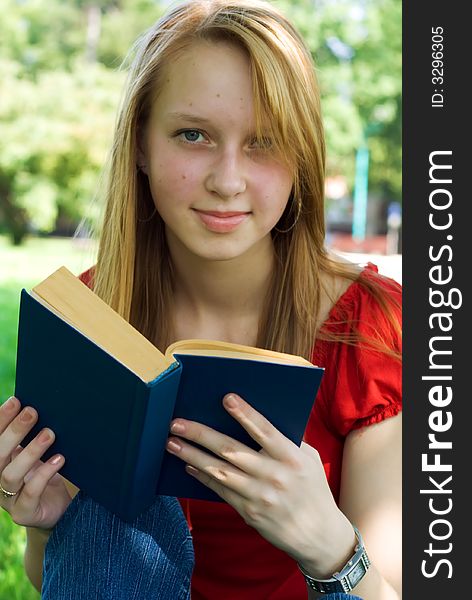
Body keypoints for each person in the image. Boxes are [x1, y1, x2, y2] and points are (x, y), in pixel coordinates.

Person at [0, 0, 401, 598]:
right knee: (105, 523)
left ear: (301, 159)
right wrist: (47, 523)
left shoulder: (371, 324)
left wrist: (327, 544)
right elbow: (67, 577)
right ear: (140, 144)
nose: (228, 180)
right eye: (193, 135)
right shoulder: (90, 314)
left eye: (264, 142)